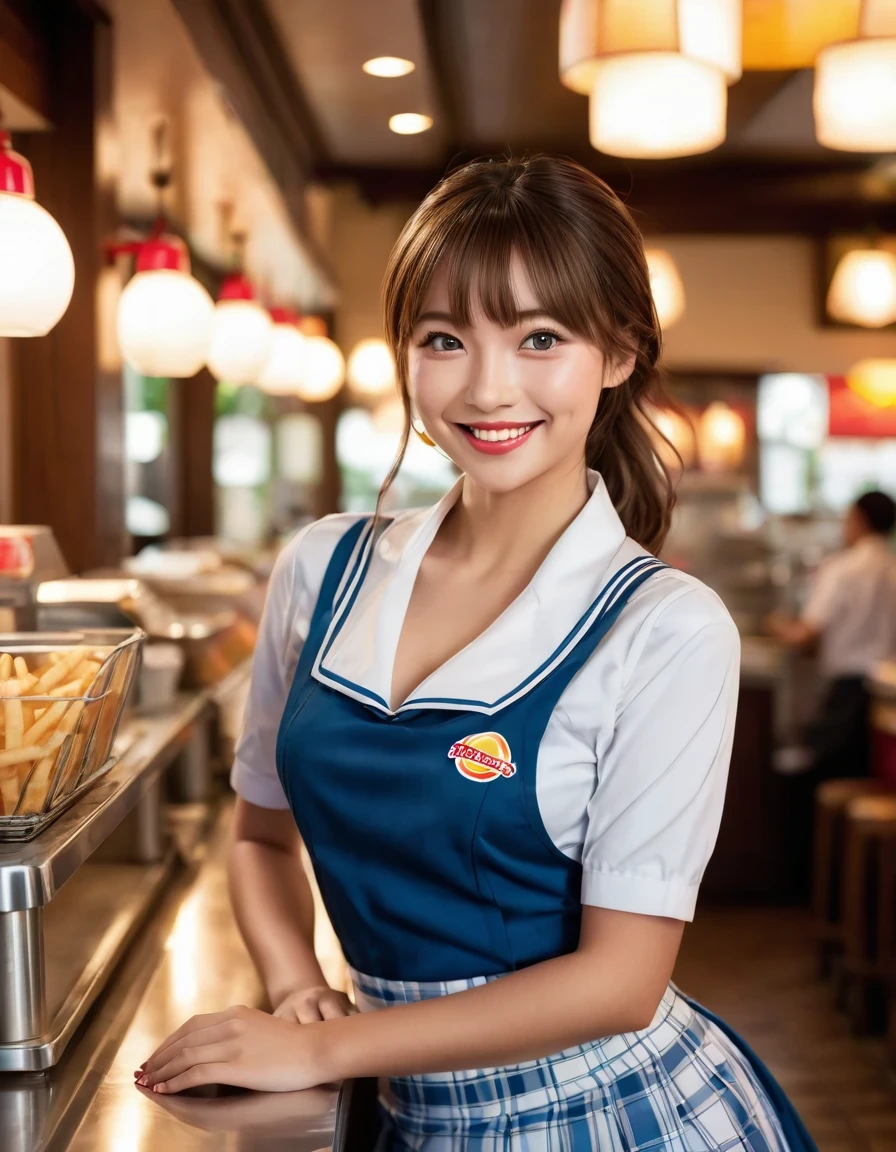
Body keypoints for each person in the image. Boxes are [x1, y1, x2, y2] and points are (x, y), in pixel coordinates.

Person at [137, 157, 816, 1151]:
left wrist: (327, 1052)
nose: (488, 387)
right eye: (444, 339)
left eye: (540, 337)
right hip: (402, 1107)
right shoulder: (319, 569)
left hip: (606, 1115)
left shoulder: (664, 628)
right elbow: (258, 838)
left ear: (617, 352)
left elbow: (620, 984)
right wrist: (297, 992)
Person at [767, 490, 896, 781]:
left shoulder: (842, 568)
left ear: (859, 520)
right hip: (886, 693)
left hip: (847, 693)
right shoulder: (892, 567)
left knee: (827, 774)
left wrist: (774, 626)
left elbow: (806, 634)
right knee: (868, 777)